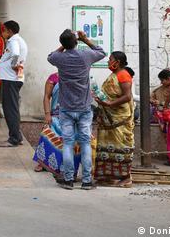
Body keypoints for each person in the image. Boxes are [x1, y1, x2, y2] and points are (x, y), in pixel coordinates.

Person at [47, 30, 106, 190]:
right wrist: (85, 39)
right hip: (84, 107)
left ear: (64, 44)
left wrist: (64, 45)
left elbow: (50, 56)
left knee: (68, 143)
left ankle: (68, 180)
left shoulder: (60, 58)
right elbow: (102, 52)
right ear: (76, 42)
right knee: (85, 143)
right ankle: (86, 181)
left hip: (66, 107)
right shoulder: (85, 55)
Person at [93, 52, 135, 188]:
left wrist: (110, 104)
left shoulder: (123, 74)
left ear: (117, 61)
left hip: (119, 119)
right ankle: (107, 177)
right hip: (108, 119)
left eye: (110, 59)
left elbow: (127, 96)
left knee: (120, 147)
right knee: (106, 147)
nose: (108, 62)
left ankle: (126, 178)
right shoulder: (114, 75)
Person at [0, 20, 28, 145]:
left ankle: (14, 138)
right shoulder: (17, 40)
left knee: (10, 109)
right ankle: (16, 136)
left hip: (11, 79)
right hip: (11, 79)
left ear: (9, 31)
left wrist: (14, 64)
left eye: (3, 30)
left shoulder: (13, 41)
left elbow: (15, 53)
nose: (2, 33)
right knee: (11, 108)